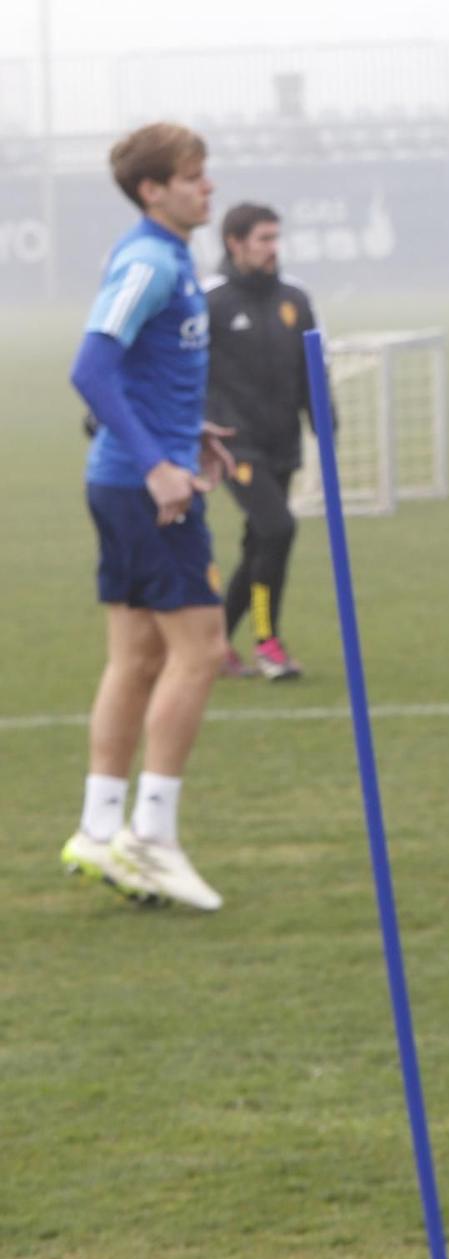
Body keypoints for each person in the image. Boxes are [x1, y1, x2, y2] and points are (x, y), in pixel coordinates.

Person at [59, 122, 235, 912]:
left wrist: (183, 433)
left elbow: (136, 371)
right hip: (143, 491)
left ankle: (99, 830)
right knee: (202, 650)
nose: (209, 188)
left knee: (135, 656)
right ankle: (153, 838)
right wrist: (160, 464)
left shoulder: (169, 260)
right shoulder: (147, 260)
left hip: (130, 479)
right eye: (194, 177)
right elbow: (91, 367)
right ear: (152, 190)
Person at [205, 202, 321, 680]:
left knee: (259, 544)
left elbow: (313, 366)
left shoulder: (295, 298)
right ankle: (267, 642)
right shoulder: (210, 300)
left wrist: (324, 421)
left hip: (282, 442)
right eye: (264, 239)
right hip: (236, 445)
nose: (274, 249)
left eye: (276, 238)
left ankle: (214, 646)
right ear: (235, 242)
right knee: (278, 529)